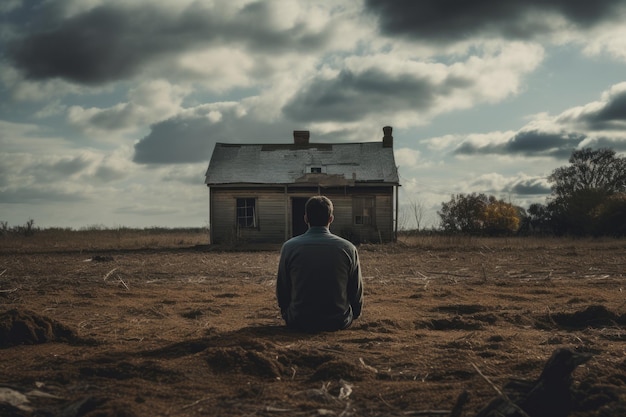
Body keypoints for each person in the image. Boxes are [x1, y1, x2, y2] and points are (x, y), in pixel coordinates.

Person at [276, 195, 363, 332]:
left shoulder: (289, 247)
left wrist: (287, 313)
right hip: (338, 321)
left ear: (305, 218)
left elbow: (283, 289)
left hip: (298, 320)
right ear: (331, 219)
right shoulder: (348, 248)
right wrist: (355, 313)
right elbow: (355, 290)